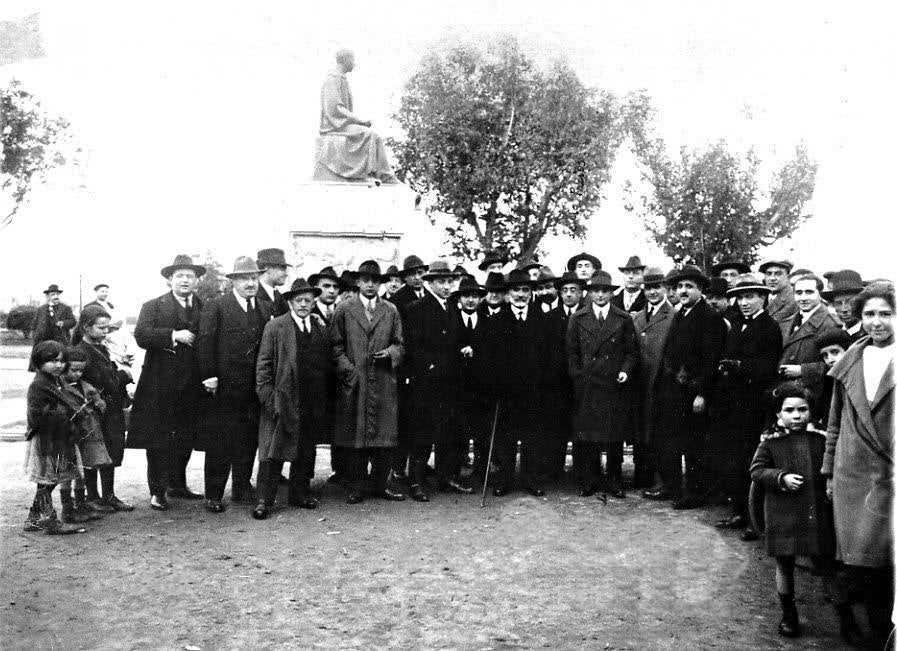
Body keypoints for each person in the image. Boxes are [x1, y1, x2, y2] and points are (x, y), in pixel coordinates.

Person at [822, 281, 894, 648]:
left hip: (889, 474)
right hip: (852, 473)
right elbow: (835, 421)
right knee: (856, 561)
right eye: (869, 314)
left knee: (885, 565)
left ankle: (883, 635)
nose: (877, 322)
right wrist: (829, 470)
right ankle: (854, 624)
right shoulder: (851, 358)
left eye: (886, 314)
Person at [749, 382, 834, 639]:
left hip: (815, 511)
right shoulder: (771, 442)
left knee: (827, 566)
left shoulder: (820, 439)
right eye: (789, 410)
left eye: (802, 409)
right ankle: (788, 613)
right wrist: (780, 477)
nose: (796, 416)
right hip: (783, 513)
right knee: (784, 564)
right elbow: (756, 470)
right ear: (778, 414)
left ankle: (846, 617)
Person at [127, 255, 207, 510]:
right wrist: (174, 335)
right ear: (169, 279)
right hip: (160, 385)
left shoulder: (204, 306)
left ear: (197, 281)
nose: (185, 280)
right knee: (159, 439)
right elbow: (141, 335)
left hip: (192, 385)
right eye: (180, 276)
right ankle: (158, 491)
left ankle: (177, 484)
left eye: (190, 276)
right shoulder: (153, 306)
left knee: (186, 435)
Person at [645, 265, 726, 509]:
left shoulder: (710, 318)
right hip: (672, 392)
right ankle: (672, 488)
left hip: (693, 393)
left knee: (693, 446)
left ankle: (694, 493)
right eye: (679, 286)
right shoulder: (680, 314)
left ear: (700, 289)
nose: (683, 291)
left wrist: (702, 394)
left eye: (689, 286)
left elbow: (711, 360)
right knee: (670, 441)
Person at [253, 278, 333, 519]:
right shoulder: (276, 327)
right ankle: (263, 501)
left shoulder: (319, 327)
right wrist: (268, 398)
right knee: (272, 452)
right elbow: (263, 366)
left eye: (308, 300)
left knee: (305, 450)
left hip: (311, 400)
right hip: (282, 399)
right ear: (289, 302)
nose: (304, 305)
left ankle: (299, 494)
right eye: (298, 300)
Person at [197, 256, 273, 513]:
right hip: (225, 387)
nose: (250, 283)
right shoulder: (217, 306)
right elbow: (205, 343)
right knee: (221, 440)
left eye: (254, 277)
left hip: (255, 387)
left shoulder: (265, 307)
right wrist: (209, 375)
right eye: (244, 278)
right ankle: (214, 493)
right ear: (233, 281)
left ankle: (242, 486)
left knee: (249, 438)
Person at [711, 274, 783, 537]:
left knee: (753, 460)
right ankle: (740, 511)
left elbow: (768, 366)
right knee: (733, 459)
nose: (744, 302)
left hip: (753, 404)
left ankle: (757, 520)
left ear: (763, 298)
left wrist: (741, 366)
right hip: (731, 404)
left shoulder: (769, 327)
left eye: (750, 296)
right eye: (740, 297)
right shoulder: (734, 324)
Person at [330, 260, 406, 504]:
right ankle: (358, 486)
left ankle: (381, 484)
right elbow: (334, 345)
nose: (370, 285)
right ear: (358, 282)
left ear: (380, 283)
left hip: (384, 382)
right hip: (356, 382)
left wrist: (391, 354)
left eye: (375, 280)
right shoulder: (344, 309)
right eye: (365, 280)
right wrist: (348, 370)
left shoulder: (391, 310)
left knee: (384, 437)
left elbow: (400, 343)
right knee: (356, 438)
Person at [403, 260, 471, 501]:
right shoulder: (417, 308)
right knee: (422, 432)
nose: (446, 286)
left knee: (447, 431)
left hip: (450, 382)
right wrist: (429, 365)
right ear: (430, 283)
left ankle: (446, 477)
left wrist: (465, 347)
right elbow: (412, 346)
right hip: (427, 382)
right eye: (441, 281)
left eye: (449, 281)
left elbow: (458, 337)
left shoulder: (451, 307)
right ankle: (416, 482)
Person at [567, 270, 638, 498]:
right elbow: (572, 353)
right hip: (588, 386)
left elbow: (631, 352)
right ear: (589, 293)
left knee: (614, 438)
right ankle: (590, 480)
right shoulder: (578, 318)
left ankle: (614, 481)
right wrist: (578, 377)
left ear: (611, 293)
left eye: (605, 291)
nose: (600, 295)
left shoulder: (623, 318)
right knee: (589, 437)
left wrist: (625, 372)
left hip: (613, 386)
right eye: (596, 291)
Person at [490, 268, 552, 496]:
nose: (521, 294)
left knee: (532, 438)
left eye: (525, 290)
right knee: (505, 438)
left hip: (534, 391)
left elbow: (549, 357)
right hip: (506, 393)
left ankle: (531, 479)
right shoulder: (495, 322)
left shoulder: (542, 320)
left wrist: (543, 386)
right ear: (508, 293)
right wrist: (496, 384)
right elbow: (489, 359)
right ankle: (503, 480)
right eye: (516, 290)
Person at [73, 305, 134, 513]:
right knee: (94, 450)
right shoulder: (81, 352)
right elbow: (102, 379)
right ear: (86, 328)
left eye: (107, 328)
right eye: (101, 328)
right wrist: (124, 375)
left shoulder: (101, 348)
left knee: (111, 450)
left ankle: (108, 495)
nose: (105, 332)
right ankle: (94, 496)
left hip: (111, 408)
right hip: (95, 411)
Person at [22, 341, 85, 535]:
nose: (58, 365)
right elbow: (36, 416)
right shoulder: (39, 385)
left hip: (58, 437)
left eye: (61, 361)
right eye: (52, 361)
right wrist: (63, 412)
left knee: (50, 479)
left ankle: (33, 518)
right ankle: (49, 520)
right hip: (47, 439)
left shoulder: (54, 381)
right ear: (39, 362)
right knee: (48, 479)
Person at [316, 49, 395, 183]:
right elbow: (335, 108)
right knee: (370, 135)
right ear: (346, 60)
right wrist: (359, 120)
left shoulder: (341, 79)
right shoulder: (332, 80)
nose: (354, 64)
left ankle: (384, 175)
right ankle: (373, 174)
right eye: (353, 60)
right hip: (334, 126)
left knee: (372, 135)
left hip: (341, 124)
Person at [385, 254, 428, 481]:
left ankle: (416, 465)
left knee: (420, 418)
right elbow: (400, 337)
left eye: (421, 273)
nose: (418, 278)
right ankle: (398, 466)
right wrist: (406, 369)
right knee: (404, 419)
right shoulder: (399, 300)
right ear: (405, 277)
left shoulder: (428, 296)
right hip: (406, 367)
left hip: (424, 367)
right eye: (412, 274)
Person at [631, 267, 674, 490]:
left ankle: (662, 479)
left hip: (662, 384)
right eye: (648, 288)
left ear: (665, 288)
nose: (652, 292)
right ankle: (643, 475)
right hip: (640, 384)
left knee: (660, 433)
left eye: (657, 287)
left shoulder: (673, 316)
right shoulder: (637, 317)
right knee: (642, 431)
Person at [58, 346, 112, 524]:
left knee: (82, 470)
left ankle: (80, 505)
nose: (78, 374)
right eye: (74, 370)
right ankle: (67, 509)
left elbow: (97, 402)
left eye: (81, 370)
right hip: (67, 436)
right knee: (67, 472)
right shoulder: (58, 387)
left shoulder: (86, 387)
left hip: (84, 435)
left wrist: (98, 403)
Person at [543, 271, 587, 479]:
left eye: (573, 290)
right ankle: (554, 470)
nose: (569, 295)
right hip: (558, 382)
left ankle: (581, 471)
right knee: (557, 426)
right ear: (559, 293)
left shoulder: (587, 316)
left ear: (580, 293)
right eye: (565, 291)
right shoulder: (550, 318)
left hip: (581, 381)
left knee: (580, 426)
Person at [778, 274, 839, 405]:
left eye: (809, 292)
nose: (803, 298)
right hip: (787, 394)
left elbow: (838, 364)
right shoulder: (787, 322)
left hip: (814, 397)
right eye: (799, 293)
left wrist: (803, 370)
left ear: (820, 294)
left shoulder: (830, 323)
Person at [456, 276, 494, 482]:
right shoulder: (451, 319)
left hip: (481, 388)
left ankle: (481, 470)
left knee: (481, 432)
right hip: (457, 387)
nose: (470, 300)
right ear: (459, 298)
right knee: (459, 430)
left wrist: (476, 351)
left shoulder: (488, 322)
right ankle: (456, 472)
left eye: (474, 296)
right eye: (466, 296)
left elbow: (491, 352)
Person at [813, 328, 850, 429]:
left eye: (835, 352)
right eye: (825, 355)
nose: (830, 360)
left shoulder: (858, 377)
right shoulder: (830, 379)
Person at [820, 269, 865, 342]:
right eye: (839, 303)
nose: (844, 309)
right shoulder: (834, 336)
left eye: (850, 302)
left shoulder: (869, 336)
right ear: (833, 305)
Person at [31, 284, 76, 349]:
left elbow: (73, 321)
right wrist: (36, 337)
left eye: (57, 294)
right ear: (48, 296)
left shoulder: (66, 308)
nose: (56, 296)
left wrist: (63, 323)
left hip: (60, 341)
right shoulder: (41, 309)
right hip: (43, 342)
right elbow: (34, 325)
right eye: (53, 295)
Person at [760, 260, 798, 336]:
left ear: (788, 277)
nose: (772, 278)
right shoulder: (762, 296)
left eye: (778, 274)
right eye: (769, 274)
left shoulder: (793, 299)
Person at [255, 248, 290, 317]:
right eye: (282, 268)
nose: (286, 274)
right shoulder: (253, 295)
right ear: (267, 269)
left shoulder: (279, 297)